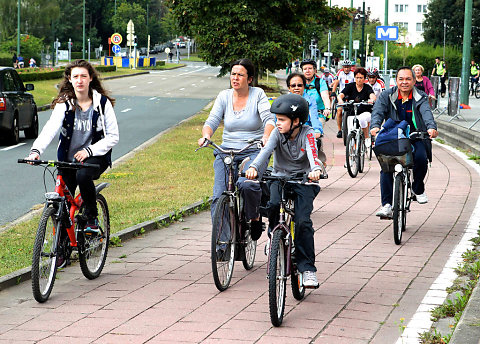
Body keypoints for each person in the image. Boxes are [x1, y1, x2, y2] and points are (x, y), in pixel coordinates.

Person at [26, 59, 119, 237]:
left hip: (95, 157)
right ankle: (60, 250)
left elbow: (113, 137)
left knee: (83, 175)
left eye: (83, 76)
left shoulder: (102, 103)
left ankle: (92, 217)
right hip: (68, 159)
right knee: (61, 205)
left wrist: (89, 151)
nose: (80, 80)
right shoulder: (65, 104)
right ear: (69, 79)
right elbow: (50, 129)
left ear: (91, 78)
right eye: (75, 76)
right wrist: (36, 151)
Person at [245, 93, 322, 288]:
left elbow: (313, 154)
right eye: (276, 119)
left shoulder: (307, 133)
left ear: (296, 121)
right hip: (279, 178)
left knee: (303, 221)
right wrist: (253, 167)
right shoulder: (277, 134)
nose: (277, 123)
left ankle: (308, 270)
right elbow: (265, 153)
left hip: (304, 181)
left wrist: (315, 170)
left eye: (281, 120)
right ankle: (273, 235)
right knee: (271, 204)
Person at [198, 58, 275, 240]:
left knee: (247, 185)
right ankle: (223, 244)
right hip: (226, 152)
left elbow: (269, 119)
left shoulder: (258, 94)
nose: (235, 78)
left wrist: (266, 136)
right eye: (233, 74)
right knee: (219, 197)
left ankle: (255, 217)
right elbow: (212, 121)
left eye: (240, 75)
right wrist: (206, 136)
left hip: (253, 150)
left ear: (249, 79)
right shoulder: (224, 96)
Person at [371, 67, 438, 218]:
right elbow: (378, 111)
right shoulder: (387, 95)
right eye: (401, 79)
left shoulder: (420, 96)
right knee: (387, 166)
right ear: (396, 81)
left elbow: (426, 113)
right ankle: (387, 204)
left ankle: (417, 188)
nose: (404, 82)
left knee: (421, 159)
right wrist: (375, 126)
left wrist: (431, 128)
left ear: (414, 81)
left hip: (416, 136)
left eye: (408, 79)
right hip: (393, 136)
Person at [338, 67, 376, 147]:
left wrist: (371, 99)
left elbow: (372, 95)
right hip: (352, 113)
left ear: (365, 78)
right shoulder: (350, 86)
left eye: (361, 78)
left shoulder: (367, 87)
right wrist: (340, 100)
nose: (359, 80)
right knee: (350, 129)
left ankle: (366, 137)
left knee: (362, 119)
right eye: (357, 78)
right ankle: (352, 150)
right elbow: (341, 95)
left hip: (365, 112)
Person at [286, 72, 323, 138]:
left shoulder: (310, 101)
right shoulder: (284, 100)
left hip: (306, 132)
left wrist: (317, 130)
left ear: (304, 86)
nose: (296, 88)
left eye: (299, 85)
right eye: (293, 86)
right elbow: (277, 119)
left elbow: (314, 117)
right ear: (289, 87)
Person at [300, 59, 331, 125]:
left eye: (310, 68)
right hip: (302, 116)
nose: (307, 71)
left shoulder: (320, 82)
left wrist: (327, 108)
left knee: (317, 132)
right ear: (302, 71)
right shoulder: (299, 83)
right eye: (305, 69)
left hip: (318, 115)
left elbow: (325, 96)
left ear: (315, 71)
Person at [332, 60, 355, 138]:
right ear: (343, 67)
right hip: (342, 95)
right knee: (339, 111)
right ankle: (339, 130)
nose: (346, 69)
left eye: (348, 67)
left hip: (351, 95)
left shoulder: (353, 74)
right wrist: (333, 92)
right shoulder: (340, 73)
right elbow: (336, 82)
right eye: (345, 67)